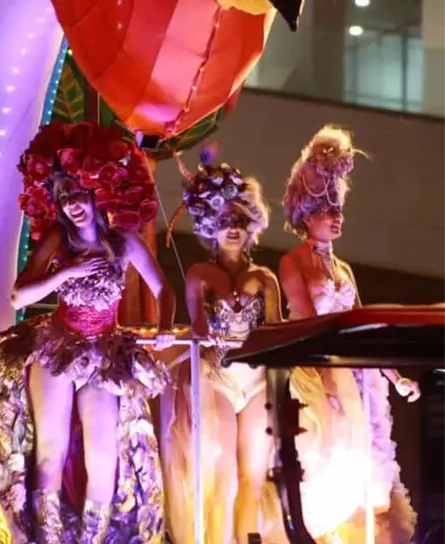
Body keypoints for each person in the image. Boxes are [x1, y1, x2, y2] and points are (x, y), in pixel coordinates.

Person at [0, 124, 177, 543]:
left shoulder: (124, 242)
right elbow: (19, 295)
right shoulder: (57, 241)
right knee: (50, 454)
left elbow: (163, 289)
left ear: (98, 192)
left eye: (79, 193)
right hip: (58, 348)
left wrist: (166, 327)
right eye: (64, 197)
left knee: (103, 460)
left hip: (105, 354)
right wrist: (66, 272)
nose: (72, 205)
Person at [276, 125, 417, 543]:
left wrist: (396, 377)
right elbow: (306, 320)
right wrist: (330, 375)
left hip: (357, 373)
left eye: (338, 208)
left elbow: (361, 326)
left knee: (367, 468)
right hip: (320, 371)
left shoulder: (345, 270)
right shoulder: (292, 263)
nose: (336, 216)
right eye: (326, 209)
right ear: (306, 215)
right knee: (329, 461)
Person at [158, 149, 282, 543]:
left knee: (253, 474)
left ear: (251, 226)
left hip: (258, 381)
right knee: (223, 471)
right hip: (218, 377)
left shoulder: (265, 279)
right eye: (225, 221)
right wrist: (199, 333)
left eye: (239, 221)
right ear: (211, 225)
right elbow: (197, 324)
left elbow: (277, 331)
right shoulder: (199, 274)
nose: (232, 228)